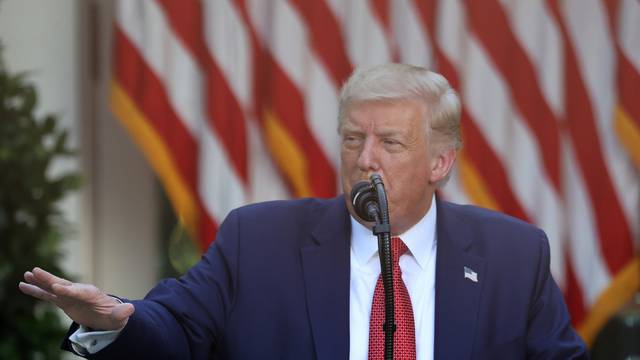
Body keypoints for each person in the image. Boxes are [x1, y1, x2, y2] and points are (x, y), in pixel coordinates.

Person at [19, 64, 588, 359]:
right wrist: (117, 319)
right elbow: (179, 326)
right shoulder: (259, 239)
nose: (365, 160)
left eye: (390, 144)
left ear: (441, 162)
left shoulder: (514, 255)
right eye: (351, 139)